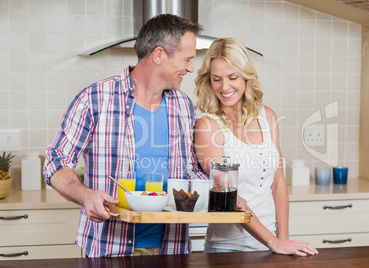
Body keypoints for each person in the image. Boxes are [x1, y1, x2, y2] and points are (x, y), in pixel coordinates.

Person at [43, 14, 208, 257]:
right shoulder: (96, 98)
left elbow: (191, 170)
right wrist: (85, 194)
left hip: (172, 249)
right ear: (159, 55)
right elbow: (55, 161)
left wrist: (222, 191)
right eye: (187, 59)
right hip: (109, 248)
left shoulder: (184, 105)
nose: (190, 68)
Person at [194, 38, 319, 256]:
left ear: (246, 76)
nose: (225, 87)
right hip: (227, 248)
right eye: (217, 79)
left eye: (233, 77)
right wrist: (273, 241)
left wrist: (283, 239)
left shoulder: (267, 117)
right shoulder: (207, 126)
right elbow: (229, 196)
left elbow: (278, 183)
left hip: (271, 246)